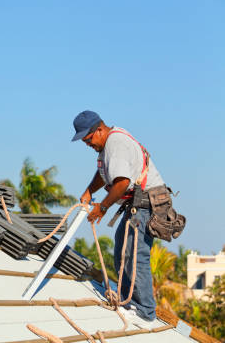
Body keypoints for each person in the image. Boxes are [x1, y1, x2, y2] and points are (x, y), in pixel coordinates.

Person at [72, 110, 163, 327]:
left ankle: (145, 312)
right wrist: (88, 191)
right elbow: (104, 173)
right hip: (137, 205)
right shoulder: (106, 148)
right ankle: (128, 301)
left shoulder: (116, 143)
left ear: (100, 130)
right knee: (122, 251)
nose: (87, 144)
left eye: (88, 139)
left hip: (145, 204)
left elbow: (121, 182)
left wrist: (102, 208)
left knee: (134, 254)